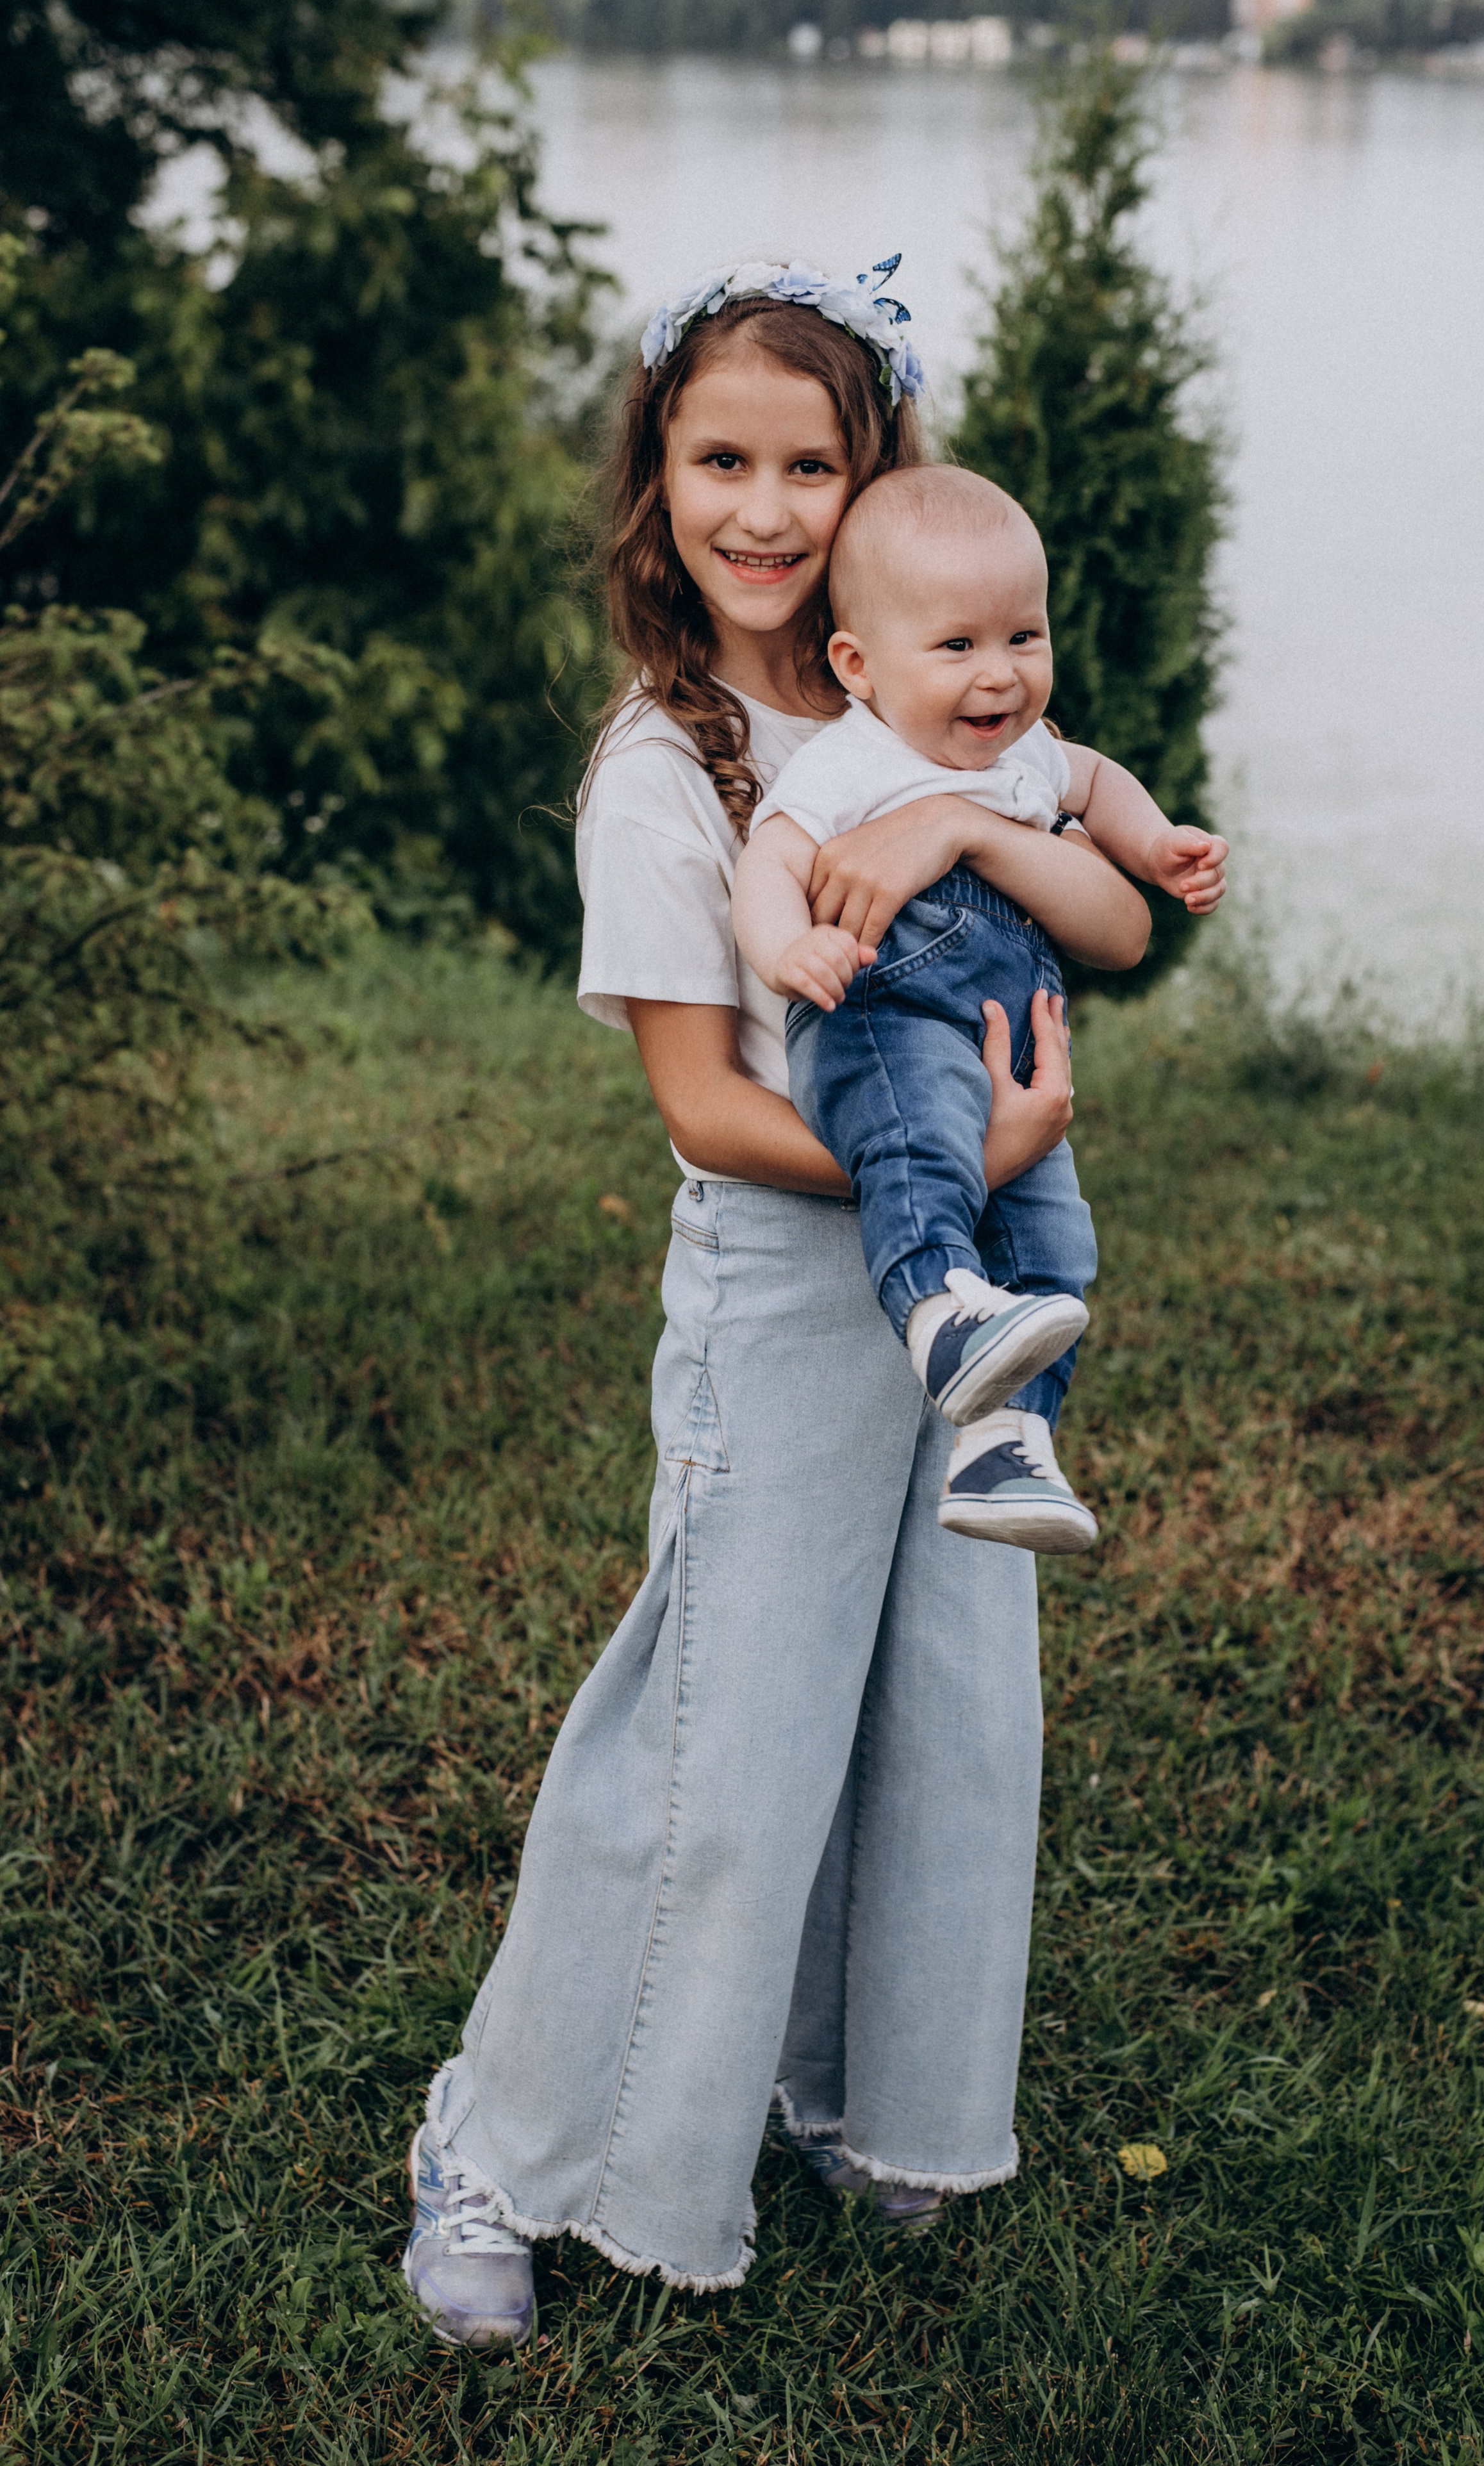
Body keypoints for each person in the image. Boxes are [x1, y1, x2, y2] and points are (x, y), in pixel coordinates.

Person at [399, 258, 1163, 2349]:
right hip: (791, 1275)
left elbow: (1096, 903)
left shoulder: (933, 704)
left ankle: (860, 2093)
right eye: (718, 459)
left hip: (966, 1292)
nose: (761, 506)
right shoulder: (670, 766)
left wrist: (989, 831)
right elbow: (707, 1108)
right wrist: (960, 1164)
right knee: (727, 1725)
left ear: (874, 478)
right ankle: (499, 2146)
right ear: (657, 480)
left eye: (809, 465)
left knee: (939, 1700)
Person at [732, 464, 1226, 1553]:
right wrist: (789, 948)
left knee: (1054, 1245)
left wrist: (1157, 846)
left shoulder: (1029, 759)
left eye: (1023, 637)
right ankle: (936, 1313)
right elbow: (770, 862)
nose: (999, 673)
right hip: (888, 1015)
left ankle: (1008, 1447)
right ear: (859, 666)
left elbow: (1099, 783)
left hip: (1011, 1054)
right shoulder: (853, 762)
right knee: (919, 1154)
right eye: (956, 645)